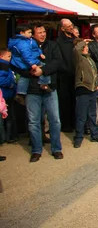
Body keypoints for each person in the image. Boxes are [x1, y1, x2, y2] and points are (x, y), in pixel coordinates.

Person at [24, 24, 64, 162]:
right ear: (33, 34)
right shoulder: (26, 46)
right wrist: (29, 71)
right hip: (32, 89)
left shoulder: (52, 45)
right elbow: (18, 64)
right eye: (39, 32)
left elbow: (58, 62)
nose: (42, 34)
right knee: (34, 122)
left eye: (44, 32)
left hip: (50, 88)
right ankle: (36, 150)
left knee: (55, 120)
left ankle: (56, 149)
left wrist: (43, 70)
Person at [72, 39, 98, 148]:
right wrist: (83, 41)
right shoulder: (79, 59)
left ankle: (95, 134)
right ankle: (78, 137)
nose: (87, 48)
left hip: (92, 90)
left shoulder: (89, 59)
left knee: (92, 114)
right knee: (81, 115)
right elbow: (76, 50)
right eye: (85, 46)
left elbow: (94, 74)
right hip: (83, 89)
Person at [8, 24, 51, 94]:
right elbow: (26, 55)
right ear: (21, 33)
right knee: (43, 67)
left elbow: (36, 48)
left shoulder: (28, 40)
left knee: (25, 76)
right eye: (29, 32)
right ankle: (44, 84)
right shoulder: (22, 43)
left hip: (28, 61)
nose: (31, 34)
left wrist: (40, 53)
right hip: (25, 62)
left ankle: (21, 92)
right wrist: (32, 63)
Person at [55, 19, 77, 132]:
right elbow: (60, 60)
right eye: (68, 26)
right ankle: (66, 124)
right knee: (65, 101)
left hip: (75, 75)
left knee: (74, 100)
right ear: (62, 28)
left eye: (71, 25)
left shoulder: (74, 40)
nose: (71, 27)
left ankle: (74, 123)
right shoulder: (58, 42)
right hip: (64, 76)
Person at [0, 49, 18, 143]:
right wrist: (11, 84)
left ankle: (8, 136)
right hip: (4, 96)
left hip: (6, 95)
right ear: (1, 56)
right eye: (8, 56)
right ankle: (8, 137)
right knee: (7, 117)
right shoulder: (4, 65)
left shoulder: (6, 66)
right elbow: (1, 80)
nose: (10, 58)